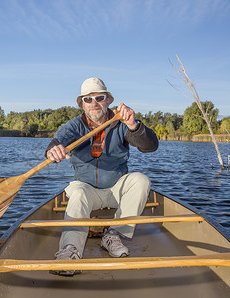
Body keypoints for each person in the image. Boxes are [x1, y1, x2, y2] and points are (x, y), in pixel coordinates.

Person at [45, 77, 158, 276]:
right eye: (88, 99)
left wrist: (134, 125)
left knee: (141, 180)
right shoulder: (74, 126)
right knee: (77, 191)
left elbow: (150, 146)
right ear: (82, 104)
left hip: (117, 188)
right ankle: (70, 250)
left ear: (108, 100)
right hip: (87, 190)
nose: (94, 103)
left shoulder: (122, 122)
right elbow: (57, 141)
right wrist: (53, 150)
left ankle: (113, 235)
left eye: (99, 98)